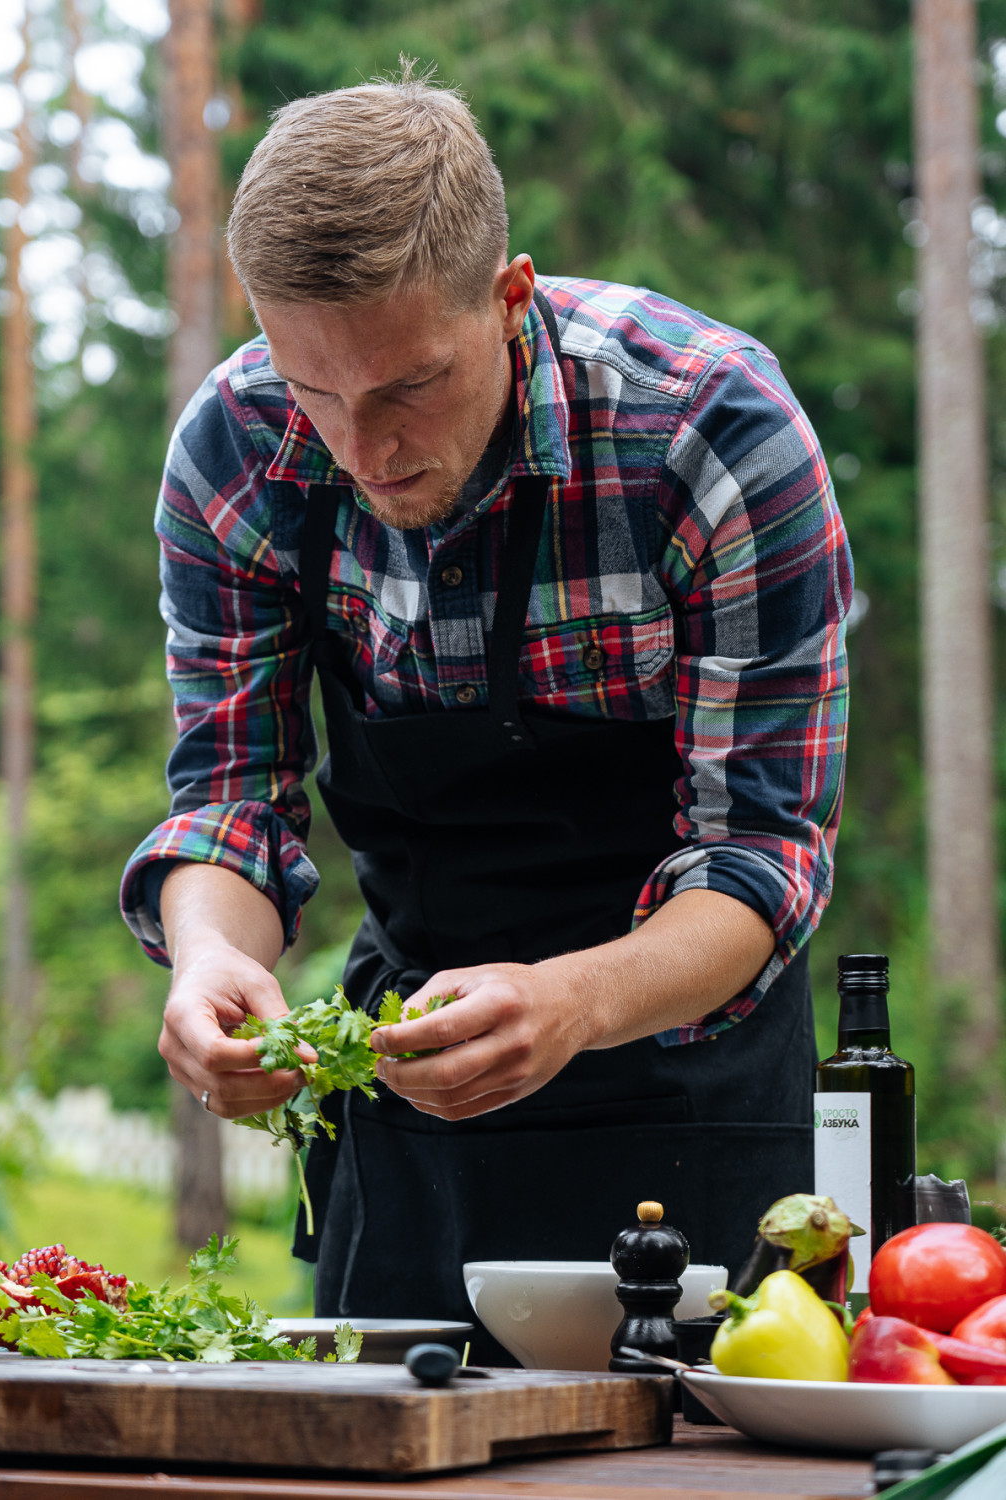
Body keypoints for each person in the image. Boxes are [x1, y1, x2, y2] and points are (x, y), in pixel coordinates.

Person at [121, 71, 852, 1361]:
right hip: (410, 1111)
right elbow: (231, 800)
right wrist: (210, 959)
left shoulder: (711, 436)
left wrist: (573, 1002)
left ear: (511, 300)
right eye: (317, 390)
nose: (362, 448)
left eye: (409, 386)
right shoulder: (237, 450)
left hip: (688, 1089)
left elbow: (765, 858)